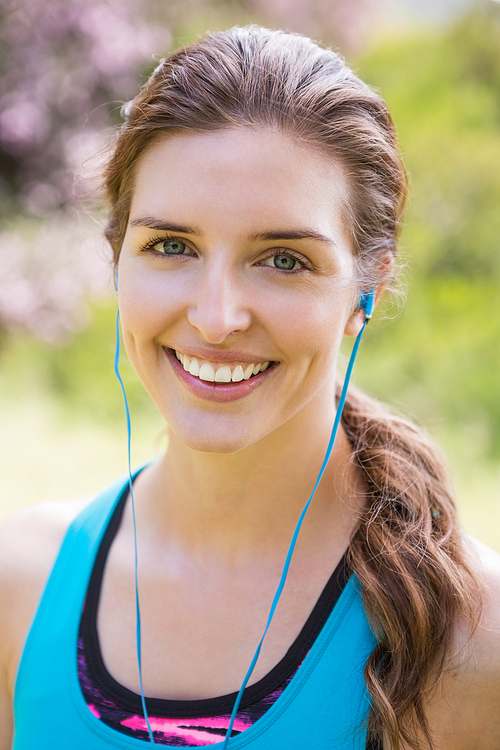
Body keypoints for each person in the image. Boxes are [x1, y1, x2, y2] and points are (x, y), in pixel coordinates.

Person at [0, 24, 499, 750]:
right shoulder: (19, 588)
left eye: (283, 260)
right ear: (117, 259)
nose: (216, 317)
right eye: (171, 247)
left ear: (369, 289)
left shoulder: (469, 641)